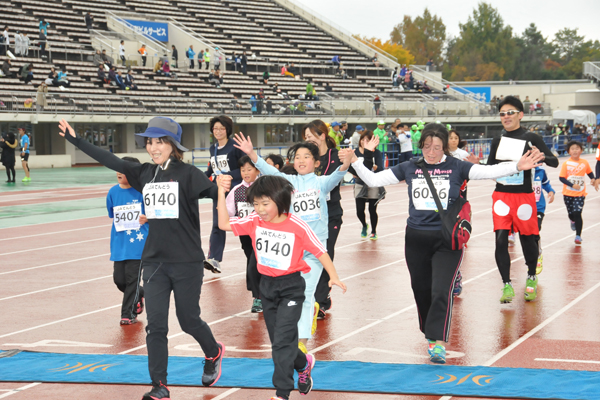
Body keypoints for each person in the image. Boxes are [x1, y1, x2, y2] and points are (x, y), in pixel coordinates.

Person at [340, 123, 545, 363]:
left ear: (444, 148)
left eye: (437, 147)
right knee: (421, 289)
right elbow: (373, 180)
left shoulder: (457, 167)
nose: (431, 151)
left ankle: (437, 341)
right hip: (416, 239)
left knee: (441, 290)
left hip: (448, 239)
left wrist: (516, 166)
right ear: (421, 146)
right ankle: (430, 332)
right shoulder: (409, 167)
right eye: (427, 146)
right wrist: (355, 160)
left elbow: (488, 171)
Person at [57, 116, 225, 400]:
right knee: (156, 326)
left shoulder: (189, 173)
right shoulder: (145, 173)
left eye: (159, 141)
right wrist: (76, 140)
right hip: (155, 261)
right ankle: (160, 385)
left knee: (188, 320)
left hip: (186, 262)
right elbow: (110, 159)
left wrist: (223, 183)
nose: (153, 147)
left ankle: (213, 351)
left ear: (172, 145)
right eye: (149, 141)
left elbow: (215, 191)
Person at [216, 174, 346, 400]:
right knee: (280, 341)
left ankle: (282, 393)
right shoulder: (254, 221)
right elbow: (223, 223)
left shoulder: (297, 225)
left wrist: (333, 276)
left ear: (281, 200)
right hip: (266, 286)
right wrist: (220, 191)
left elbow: (319, 251)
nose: (260, 209)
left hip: (291, 288)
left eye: (265, 203)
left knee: (280, 345)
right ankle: (303, 363)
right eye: (255, 204)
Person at [233, 132, 351, 352]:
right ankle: (299, 323)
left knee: (305, 293)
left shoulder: (321, 183)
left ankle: (302, 343)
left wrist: (345, 162)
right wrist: (251, 154)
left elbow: (338, 175)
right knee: (290, 295)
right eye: (297, 157)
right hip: (290, 250)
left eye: (307, 157)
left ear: (316, 163)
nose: (301, 160)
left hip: (314, 251)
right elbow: (271, 172)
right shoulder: (288, 182)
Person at [486, 96, 558, 303]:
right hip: (501, 196)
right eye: (502, 114)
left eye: (510, 112)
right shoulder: (497, 141)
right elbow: (490, 168)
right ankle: (506, 285)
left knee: (528, 239)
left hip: (524, 198)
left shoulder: (531, 138)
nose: (506, 117)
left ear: (520, 115)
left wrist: (541, 157)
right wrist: (478, 166)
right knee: (500, 238)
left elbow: (553, 161)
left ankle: (531, 277)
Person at [303, 120, 345, 319]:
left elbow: (360, 169)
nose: (308, 140)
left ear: (322, 135)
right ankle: (308, 296)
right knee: (307, 256)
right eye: (306, 138)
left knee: (324, 254)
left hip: (331, 213)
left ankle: (320, 301)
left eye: (311, 136)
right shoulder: (305, 156)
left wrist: (365, 154)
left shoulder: (336, 156)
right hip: (307, 216)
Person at [106, 156, 147, 325]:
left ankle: (128, 314)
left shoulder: (142, 192)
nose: (119, 172)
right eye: (118, 168)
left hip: (138, 245)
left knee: (132, 280)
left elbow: (155, 214)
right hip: (119, 244)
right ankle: (140, 293)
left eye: (124, 169)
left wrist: (148, 218)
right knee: (120, 280)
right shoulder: (113, 192)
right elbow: (111, 214)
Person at [203, 115, 246, 273]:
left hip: (236, 192)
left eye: (221, 128)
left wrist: (227, 175)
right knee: (217, 225)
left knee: (245, 224)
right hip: (219, 192)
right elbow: (211, 170)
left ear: (228, 130)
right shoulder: (212, 148)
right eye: (215, 128)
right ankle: (214, 259)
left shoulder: (235, 146)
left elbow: (245, 168)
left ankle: (254, 255)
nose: (218, 131)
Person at [224, 155, 262, 312]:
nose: (246, 173)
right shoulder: (236, 191)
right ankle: (258, 292)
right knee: (252, 262)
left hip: (263, 233)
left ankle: (258, 297)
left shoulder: (264, 187)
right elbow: (229, 212)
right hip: (245, 234)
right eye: (242, 170)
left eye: (249, 169)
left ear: (257, 170)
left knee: (255, 263)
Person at [559, 141, 598, 245]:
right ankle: (572, 220)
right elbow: (561, 178)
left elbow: (589, 172)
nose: (575, 150)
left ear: (581, 150)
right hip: (568, 193)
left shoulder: (584, 162)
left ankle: (578, 235)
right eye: (572, 149)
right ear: (568, 151)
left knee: (577, 213)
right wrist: (572, 185)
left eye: (577, 148)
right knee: (571, 213)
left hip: (580, 193)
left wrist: (593, 179)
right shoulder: (566, 163)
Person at [350, 130, 384, 240]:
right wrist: (354, 173)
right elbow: (351, 166)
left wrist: (375, 168)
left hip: (373, 183)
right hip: (360, 183)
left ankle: (374, 231)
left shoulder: (376, 153)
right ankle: (364, 225)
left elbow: (380, 168)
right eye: (363, 140)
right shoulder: (356, 153)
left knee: (372, 209)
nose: (365, 142)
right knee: (359, 210)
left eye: (368, 140)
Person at [533, 165, 555, 274]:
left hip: (538, 207)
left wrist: (551, 191)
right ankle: (531, 258)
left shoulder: (541, 170)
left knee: (536, 230)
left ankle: (538, 256)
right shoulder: (520, 170)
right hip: (523, 207)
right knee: (527, 235)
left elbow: (545, 183)